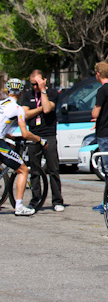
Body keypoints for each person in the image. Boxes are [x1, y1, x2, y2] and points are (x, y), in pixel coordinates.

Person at [21, 69, 64, 212]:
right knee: (34, 169)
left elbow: (47, 109)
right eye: (32, 84)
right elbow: (25, 114)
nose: (34, 87)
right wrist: (39, 108)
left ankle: (57, 200)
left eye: (37, 84)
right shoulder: (28, 95)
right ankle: (35, 199)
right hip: (34, 135)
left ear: (44, 81)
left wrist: (42, 90)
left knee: (53, 169)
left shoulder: (51, 93)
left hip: (49, 134)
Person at [1, 78, 43, 216]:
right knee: (23, 170)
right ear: (20, 93)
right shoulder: (18, 109)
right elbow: (25, 133)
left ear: (7, 90)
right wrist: (39, 140)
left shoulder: (1, 103)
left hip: (3, 139)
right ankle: (19, 207)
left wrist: (8, 136)